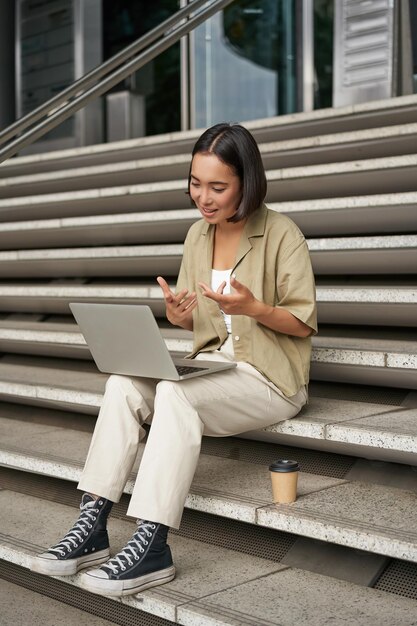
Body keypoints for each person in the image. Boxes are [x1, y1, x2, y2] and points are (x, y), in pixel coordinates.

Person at [30, 122, 317, 597]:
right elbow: (201, 321)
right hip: (214, 368)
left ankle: (152, 545)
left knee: (173, 395)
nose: (203, 197)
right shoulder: (197, 236)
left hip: (268, 377)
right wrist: (179, 316)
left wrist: (254, 308)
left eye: (218, 187)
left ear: (247, 182)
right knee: (123, 384)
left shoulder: (283, 234)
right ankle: (93, 525)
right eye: (195, 182)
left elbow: (303, 322)